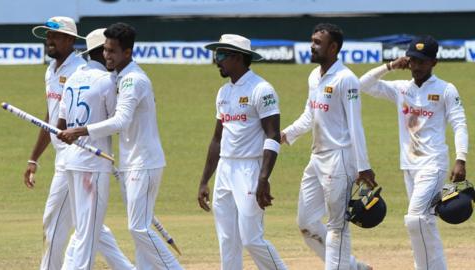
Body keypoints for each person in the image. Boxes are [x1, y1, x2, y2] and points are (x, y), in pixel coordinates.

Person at [57, 22, 182, 270]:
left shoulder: (133, 80)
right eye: (105, 50)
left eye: (112, 51)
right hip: (130, 162)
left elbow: (121, 121)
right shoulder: (118, 77)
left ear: (127, 52)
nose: (107, 56)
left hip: (144, 162)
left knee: (138, 228)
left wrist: (80, 131)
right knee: (139, 231)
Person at [26, 17, 133, 270]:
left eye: (55, 36)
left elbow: (111, 117)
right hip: (67, 157)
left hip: (77, 160)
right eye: (47, 36)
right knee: (91, 226)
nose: (49, 41)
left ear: (71, 40)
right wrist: (34, 158)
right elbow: (52, 117)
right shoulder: (50, 70)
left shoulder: (80, 71)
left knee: (57, 223)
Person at [359, 35, 468, 270]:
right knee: (424, 221)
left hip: (433, 164)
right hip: (408, 166)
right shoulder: (401, 89)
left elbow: (460, 124)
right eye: (412, 60)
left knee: (416, 218)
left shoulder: (445, 90)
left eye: (422, 61)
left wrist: (461, 159)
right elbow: (362, 85)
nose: (416, 66)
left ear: (433, 63)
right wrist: (389, 66)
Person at [281, 23, 376, 270]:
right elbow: (309, 116)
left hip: (340, 158)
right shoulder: (314, 76)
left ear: (333, 47)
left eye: (317, 42)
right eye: (311, 41)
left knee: (337, 227)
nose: (311, 46)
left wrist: (363, 166)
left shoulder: (347, 80)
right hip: (317, 158)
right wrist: (286, 134)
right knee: (306, 222)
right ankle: (353, 267)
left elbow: (356, 126)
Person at [197, 34, 287, 270]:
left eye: (221, 55)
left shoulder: (262, 89)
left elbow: (273, 135)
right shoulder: (223, 93)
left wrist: (264, 178)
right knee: (227, 240)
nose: (217, 60)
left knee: (251, 238)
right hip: (225, 170)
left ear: (238, 57)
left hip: (250, 168)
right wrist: (205, 180)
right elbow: (217, 139)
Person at [57, 28, 136, 270]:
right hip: (92, 164)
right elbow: (116, 122)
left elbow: (61, 125)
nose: (110, 55)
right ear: (101, 52)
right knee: (88, 233)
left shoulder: (73, 77)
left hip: (70, 161)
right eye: (107, 50)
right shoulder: (107, 81)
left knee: (87, 227)